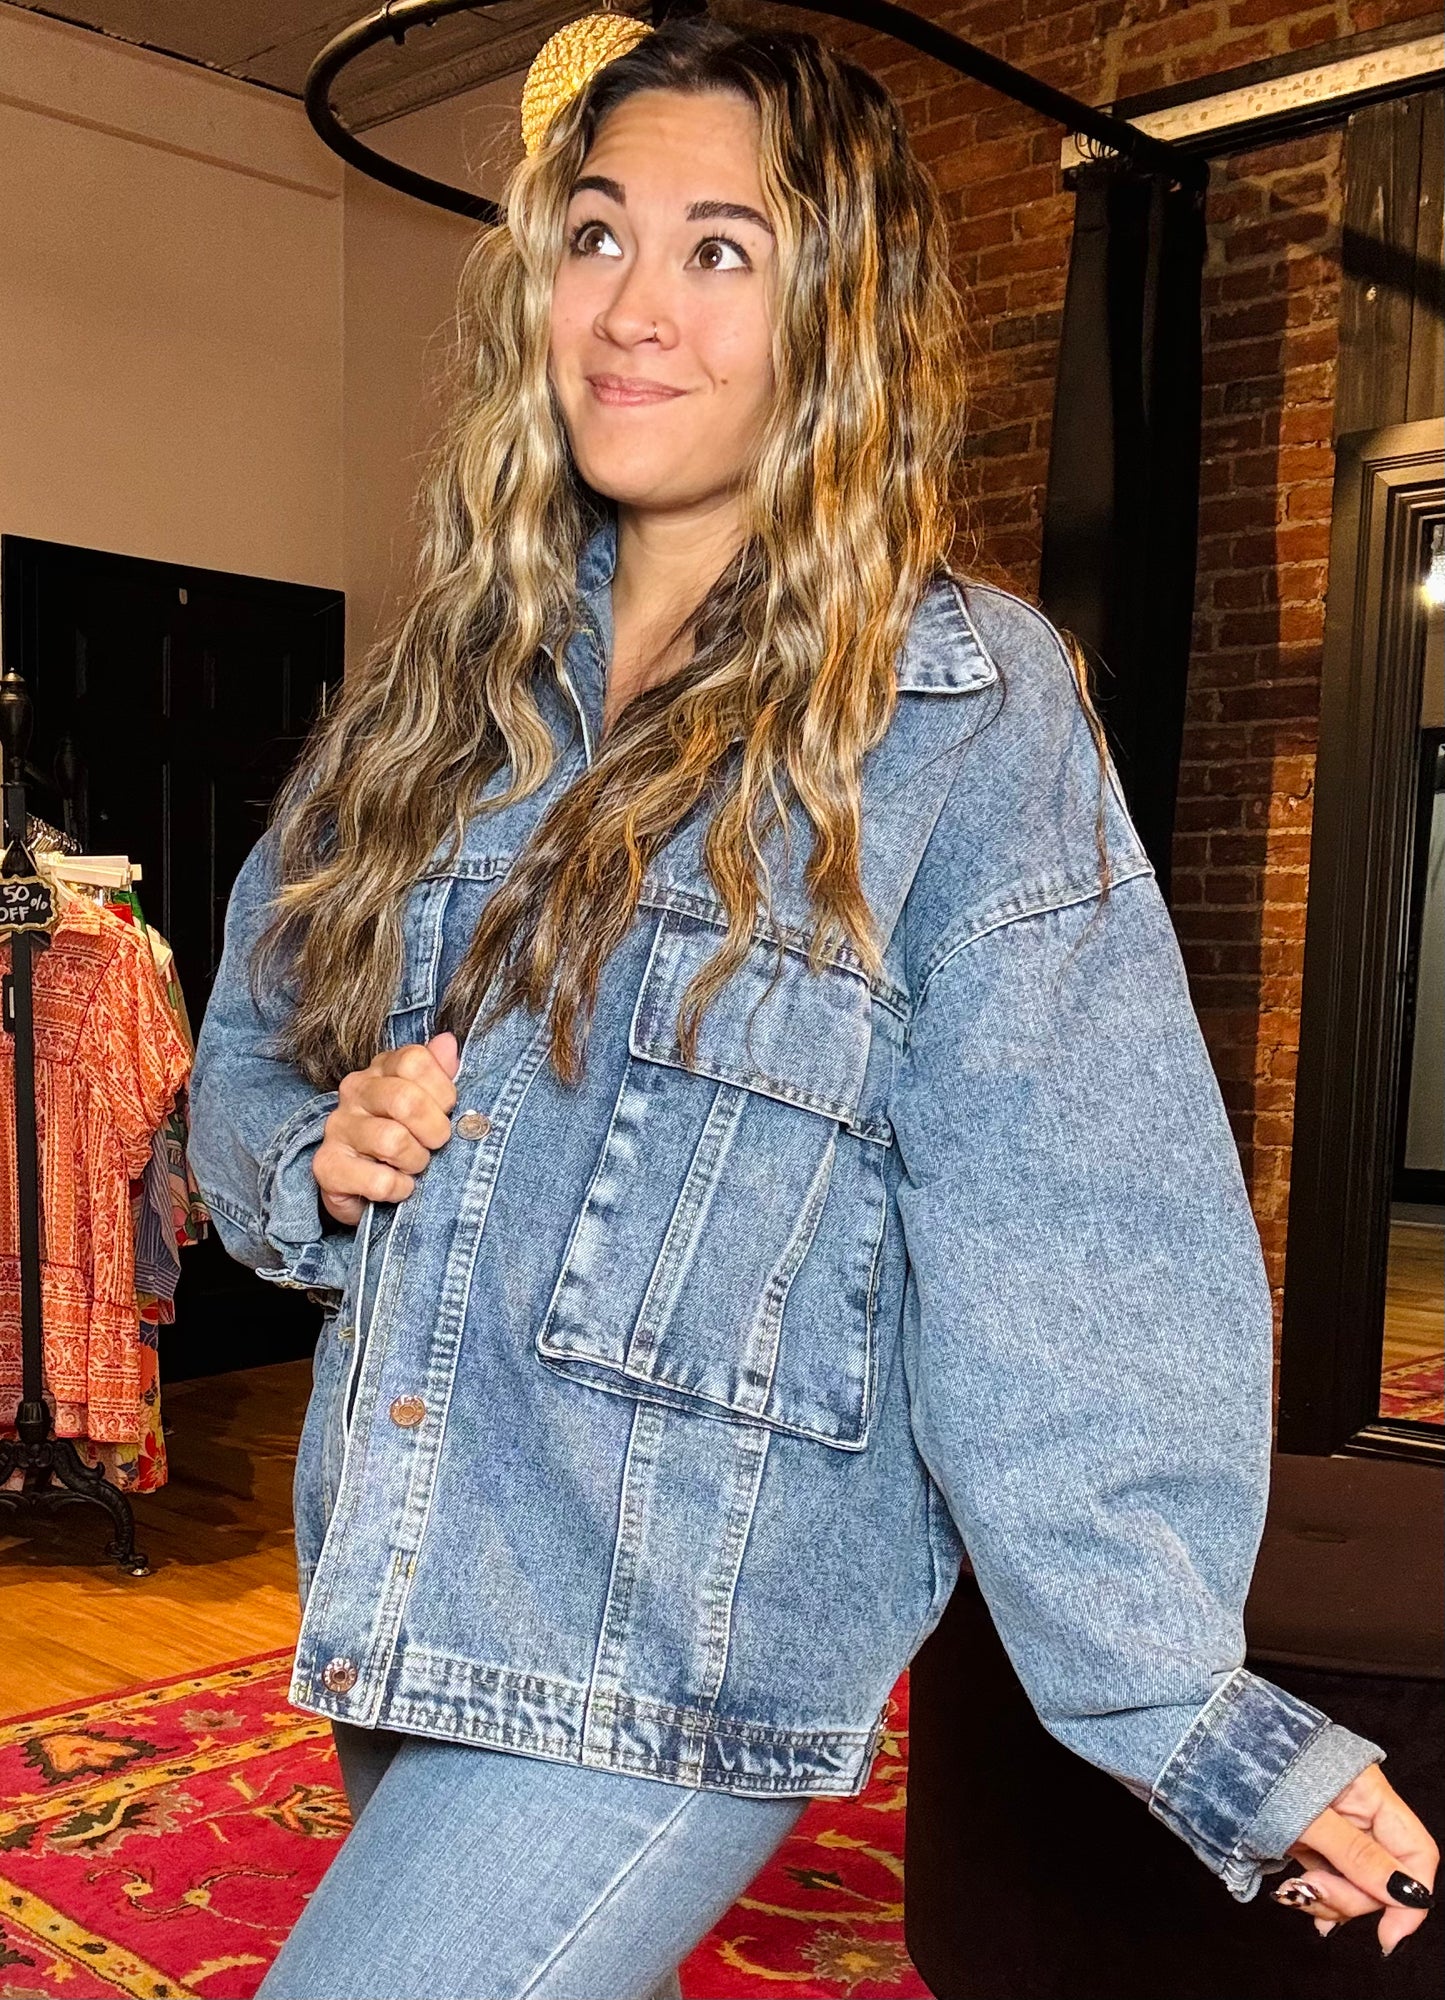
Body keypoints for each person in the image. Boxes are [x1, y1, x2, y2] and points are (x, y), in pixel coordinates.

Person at [187, 17, 1436, 2000]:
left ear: (833, 318)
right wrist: (313, 1160)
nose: (632, 307)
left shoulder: (959, 716)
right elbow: (252, 1054)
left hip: (679, 1642)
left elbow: (1065, 1229)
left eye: (721, 251)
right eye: (597, 235)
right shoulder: (444, 697)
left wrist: (1196, 1721)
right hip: (411, 1569)